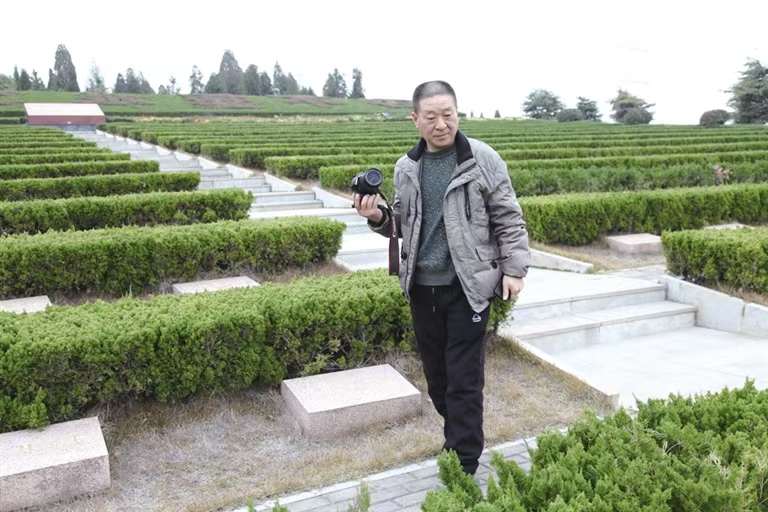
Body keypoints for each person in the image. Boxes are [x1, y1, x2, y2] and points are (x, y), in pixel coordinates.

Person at [354, 80, 531, 475]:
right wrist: (377, 216)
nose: (441, 124)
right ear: (415, 119)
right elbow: (403, 223)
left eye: (448, 115)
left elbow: (508, 217)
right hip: (422, 289)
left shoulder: (482, 159)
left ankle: (463, 461)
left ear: (457, 114)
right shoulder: (406, 168)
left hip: (467, 287)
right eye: (431, 117)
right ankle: (459, 436)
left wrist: (514, 270)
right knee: (437, 379)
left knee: (464, 379)